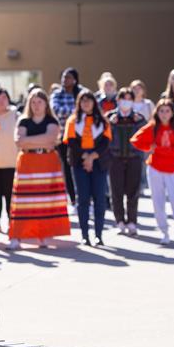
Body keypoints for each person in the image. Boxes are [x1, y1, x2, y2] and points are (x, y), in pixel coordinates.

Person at [9, 89, 71, 249]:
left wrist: (29, 140)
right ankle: (16, 236)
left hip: (47, 163)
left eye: (40, 102)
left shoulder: (52, 121)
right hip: (27, 163)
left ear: (46, 104)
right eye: (33, 102)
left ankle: (43, 235)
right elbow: (19, 142)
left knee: (45, 199)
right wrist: (41, 141)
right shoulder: (23, 121)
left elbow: (51, 138)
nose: (36, 105)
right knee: (23, 201)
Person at [130, 99, 174, 246]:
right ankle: (164, 231)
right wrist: (149, 147)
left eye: (167, 111)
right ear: (157, 112)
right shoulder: (152, 127)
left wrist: (158, 149)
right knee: (158, 200)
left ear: (172, 113)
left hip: (173, 169)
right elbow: (135, 140)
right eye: (161, 111)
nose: (164, 114)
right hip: (155, 169)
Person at [63, 91, 112, 246]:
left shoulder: (103, 121)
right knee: (82, 199)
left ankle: (99, 235)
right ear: (79, 103)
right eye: (82, 101)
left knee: (99, 199)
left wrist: (92, 156)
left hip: (99, 163)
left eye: (88, 100)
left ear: (93, 102)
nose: (86, 103)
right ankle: (85, 235)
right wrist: (85, 157)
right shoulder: (72, 121)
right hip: (79, 163)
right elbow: (71, 142)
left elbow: (105, 142)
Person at [106, 87, 146, 235]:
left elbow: (145, 135)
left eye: (129, 99)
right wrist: (111, 123)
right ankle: (120, 221)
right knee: (116, 191)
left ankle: (132, 221)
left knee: (133, 191)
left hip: (134, 158)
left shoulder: (139, 118)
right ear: (118, 100)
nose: (126, 102)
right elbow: (104, 136)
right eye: (123, 98)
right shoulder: (110, 117)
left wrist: (139, 122)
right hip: (115, 159)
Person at [0, 88, 20, 233]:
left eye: (4, 98)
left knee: (10, 195)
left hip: (11, 163)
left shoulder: (16, 115)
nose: (1, 101)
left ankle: (11, 221)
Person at [51, 67, 83, 204]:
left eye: (68, 77)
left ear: (75, 80)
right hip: (63, 138)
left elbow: (89, 110)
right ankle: (73, 199)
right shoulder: (57, 94)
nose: (65, 80)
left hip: (82, 137)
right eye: (63, 77)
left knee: (82, 167)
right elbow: (56, 109)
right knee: (68, 167)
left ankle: (85, 198)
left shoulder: (81, 93)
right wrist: (77, 113)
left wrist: (76, 113)